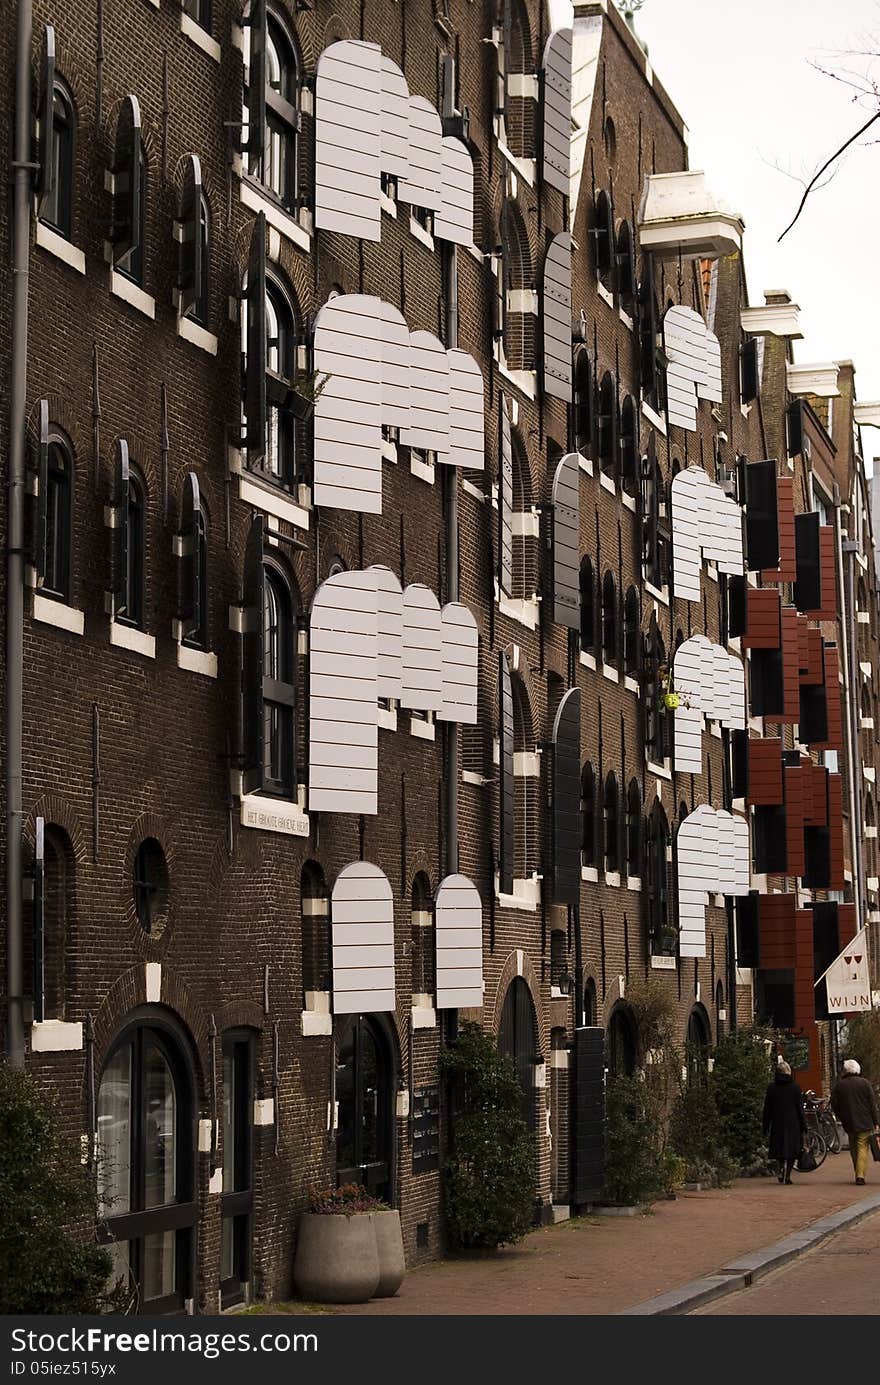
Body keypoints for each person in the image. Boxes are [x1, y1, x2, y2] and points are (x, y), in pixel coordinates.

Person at [830, 1059, 880, 1186]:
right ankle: (860, 1175)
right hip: (865, 1121)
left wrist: (840, 1116)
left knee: (853, 1147)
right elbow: (872, 1105)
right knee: (863, 1147)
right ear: (857, 1069)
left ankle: (857, 1172)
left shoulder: (839, 1085)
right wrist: (876, 1121)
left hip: (849, 1122)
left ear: (845, 1070)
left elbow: (834, 1104)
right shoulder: (865, 1083)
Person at [762, 1060, 806, 1184]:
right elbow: (799, 1108)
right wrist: (804, 1125)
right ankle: (788, 1175)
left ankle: (781, 1167)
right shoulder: (795, 1087)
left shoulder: (771, 1088)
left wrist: (765, 1126)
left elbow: (767, 1108)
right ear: (788, 1072)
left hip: (777, 1121)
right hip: (793, 1122)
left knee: (779, 1148)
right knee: (792, 1150)